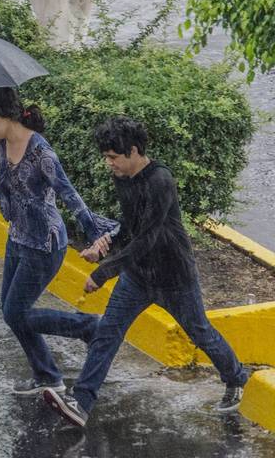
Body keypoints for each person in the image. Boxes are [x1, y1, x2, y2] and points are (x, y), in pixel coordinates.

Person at [43, 116, 249, 427]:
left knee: (200, 332)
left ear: (134, 151)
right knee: (108, 332)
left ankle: (236, 378)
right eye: (105, 157)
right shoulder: (123, 178)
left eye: (113, 157)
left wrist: (102, 273)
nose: (108, 163)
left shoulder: (160, 180)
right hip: (137, 277)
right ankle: (81, 404)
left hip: (174, 276)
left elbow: (149, 236)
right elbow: (130, 227)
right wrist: (106, 242)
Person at [0, 87, 118, 395]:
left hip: (45, 245)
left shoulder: (41, 153)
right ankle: (47, 375)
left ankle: (89, 327)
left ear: (6, 113)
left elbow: (71, 197)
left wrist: (96, 238)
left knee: (15, 313)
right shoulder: (4, 144)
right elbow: (7, 184)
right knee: (12, 311)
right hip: (18, 238)